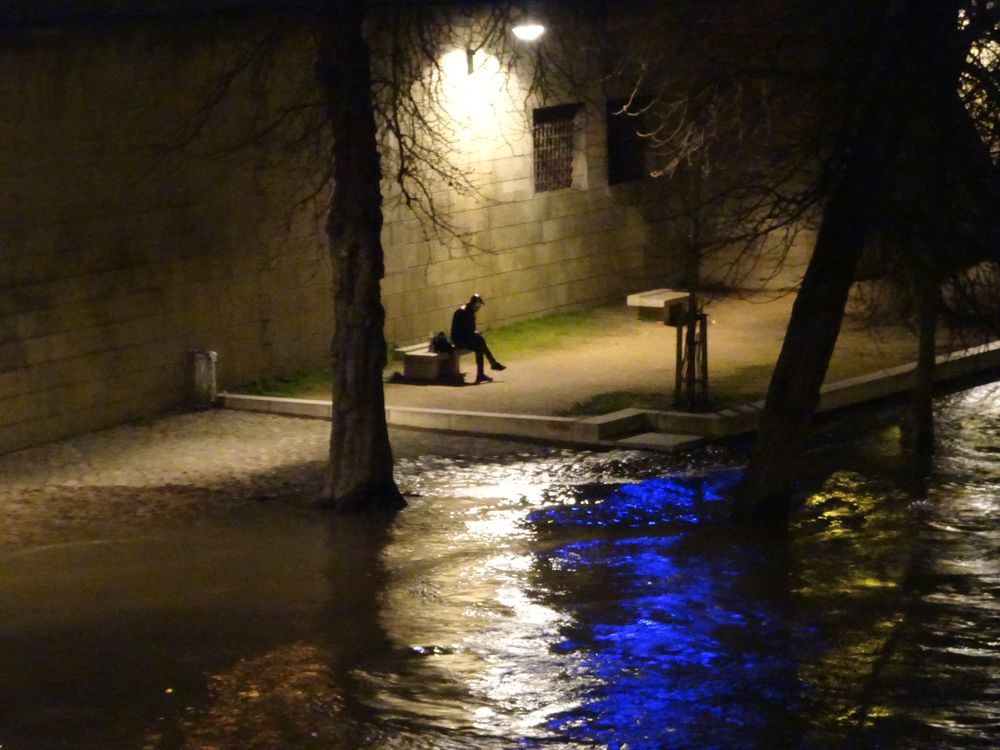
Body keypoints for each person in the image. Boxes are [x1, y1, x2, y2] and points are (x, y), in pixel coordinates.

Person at [450, 293, 505, 383]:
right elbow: (465, 330)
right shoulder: (465, 312)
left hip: (463, 337)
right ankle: (490, 366)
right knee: (479, 345)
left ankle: (489, 366)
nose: (479, 308)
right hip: (459, 339)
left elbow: (467, 330)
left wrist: (474, 333)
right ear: (474, 303)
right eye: (478, 305)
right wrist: (474, 333)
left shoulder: (469, 310)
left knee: (480, 341)